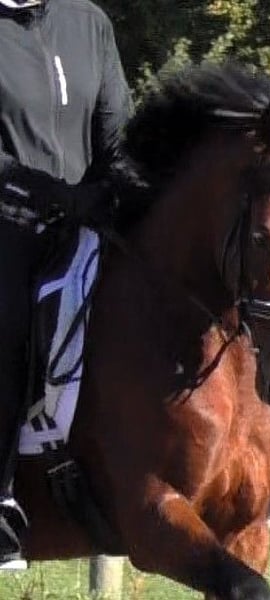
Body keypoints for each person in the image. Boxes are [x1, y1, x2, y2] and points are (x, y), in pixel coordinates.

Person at [0, 0, 134, 568]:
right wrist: (50, 193)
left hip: (87, 219)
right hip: (10, 223)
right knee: (7, 323)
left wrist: (114, 192)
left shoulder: (89, 23)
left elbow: (118, 133)